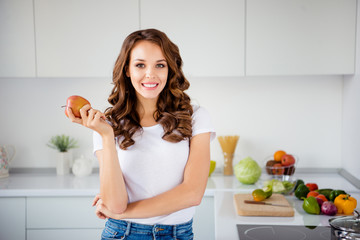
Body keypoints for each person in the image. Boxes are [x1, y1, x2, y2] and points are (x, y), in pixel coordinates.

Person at [67, 28, 216, 240]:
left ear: (170, 69)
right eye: (140, 65)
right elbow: (115, 204)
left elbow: (192, 194)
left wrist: (124, 212)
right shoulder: (106, 126)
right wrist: (107, 137)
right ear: (127, 70)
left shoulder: (196, 117)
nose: (150, 74)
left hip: (177, 234)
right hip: (122, 234)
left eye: (160, 65)